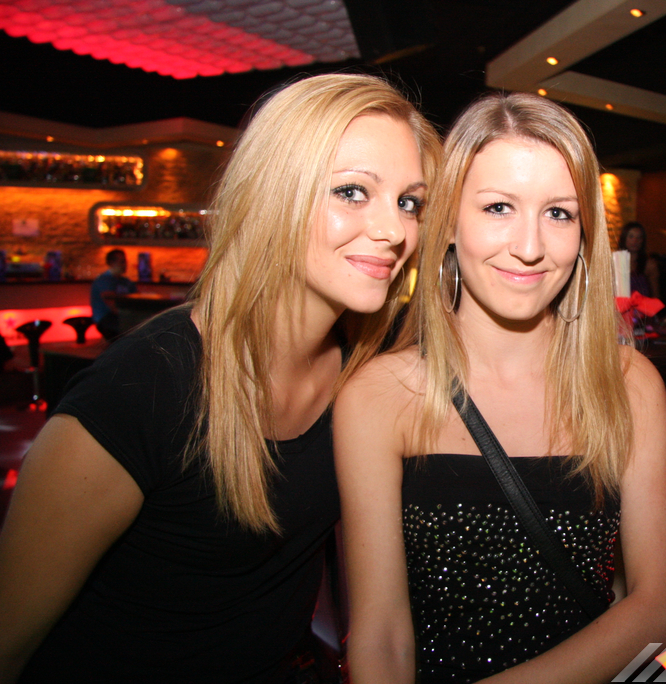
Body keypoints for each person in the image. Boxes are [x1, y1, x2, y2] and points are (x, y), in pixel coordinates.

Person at [0, 74, 440, 683]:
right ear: (270, 193)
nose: (393, 231)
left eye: (409, 202)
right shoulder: (143, 391)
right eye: (351, 192)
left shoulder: (366, 365)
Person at [335, 92, 666, 684]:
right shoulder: (378, 396)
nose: (529, 247)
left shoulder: (628, 385)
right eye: (498, 207)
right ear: (449, 222)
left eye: (559, 214)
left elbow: (660, 609)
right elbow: (380, 636)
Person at [90, 248, 137, 340]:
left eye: (125, 262)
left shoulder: (126, 281)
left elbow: (136, 298)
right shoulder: (104, 281)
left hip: (121, 318)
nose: (125, 265)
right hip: (106, 319)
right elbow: (113, 306)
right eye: (122, 262)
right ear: (111, 263)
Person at [616, 221, 660, 299]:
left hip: (642, 305)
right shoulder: (615, 262)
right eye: (631, 237)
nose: (635, 241)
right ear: (624, 238)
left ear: (642, 241)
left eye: (639, 237)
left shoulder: (649, 265)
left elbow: (655, 294)